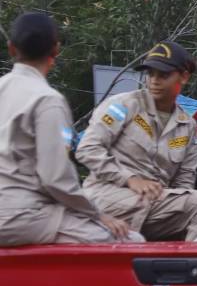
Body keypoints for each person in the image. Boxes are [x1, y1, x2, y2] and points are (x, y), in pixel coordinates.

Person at [0, 12, 135, 245]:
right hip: (22, 214)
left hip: (19, 212)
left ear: (11, 48)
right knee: (130, 240)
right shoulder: (47, 101)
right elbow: (55, 178)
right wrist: (97, 214)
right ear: (56, 50)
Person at [75, 41, 197, 241]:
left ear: (184, 77)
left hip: (153, 205)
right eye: (150, 74)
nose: (154, 81)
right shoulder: (123, 105)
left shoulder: (187, 126)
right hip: (110, 198)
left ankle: (187, 267)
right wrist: (129, 178)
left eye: (163, 75)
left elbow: (185, 181)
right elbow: (87, 149)